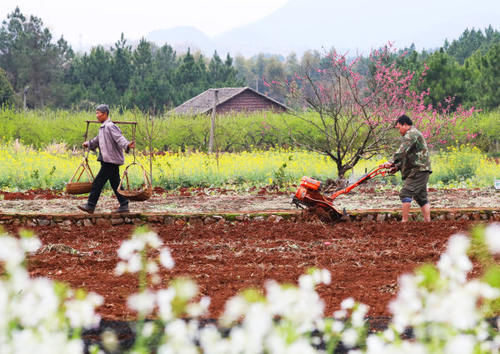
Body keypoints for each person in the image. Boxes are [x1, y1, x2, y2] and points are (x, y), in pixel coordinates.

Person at [78, 104, 135, 214]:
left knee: (98, 183)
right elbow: (97, 140)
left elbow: (119, 138)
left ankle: (90, 205)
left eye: (98, 113)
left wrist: (127, 145)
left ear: (105, 114)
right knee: (115, 183)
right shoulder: (103, 127)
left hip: (110, 160)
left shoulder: (110, 126)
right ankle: (124, 204)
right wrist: (88, 144)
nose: (97, 116)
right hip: (108, 160)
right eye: (96, 113)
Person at [380, 114, 432, 222]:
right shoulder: (412, 134)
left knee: (405, 193)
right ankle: (428, 222)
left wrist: (390, 162)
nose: (399, 131)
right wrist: (397, 167)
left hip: (418, 170)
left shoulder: (411, 134)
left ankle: (404, 222)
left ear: (404, 125)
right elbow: (407, 156)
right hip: (421, 169)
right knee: (421, 197)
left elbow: (402, 151)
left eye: (399, 127)